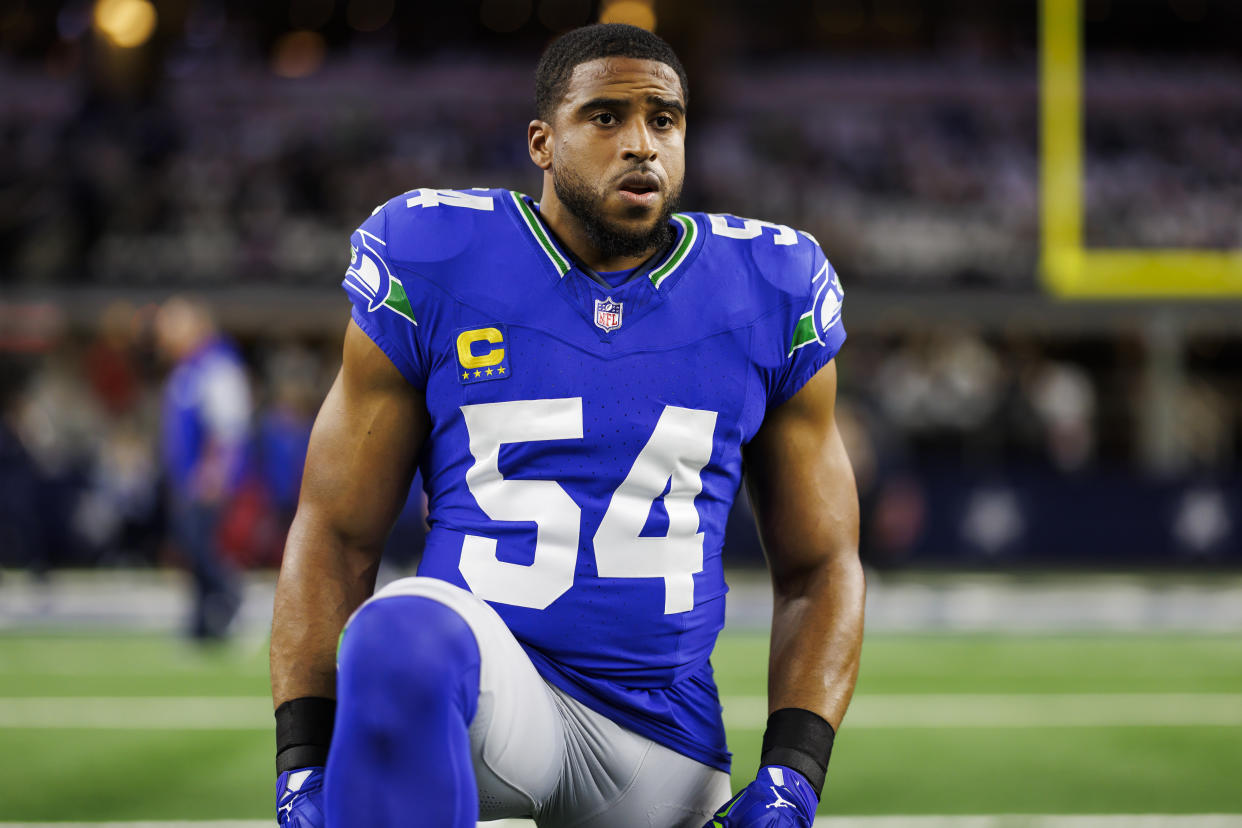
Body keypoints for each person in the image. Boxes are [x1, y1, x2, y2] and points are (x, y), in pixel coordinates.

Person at [270, 23, 863, 828]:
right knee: (399, 634)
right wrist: (303, 762)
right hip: (485, 700)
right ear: (542, 142)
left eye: (664, 119)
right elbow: (335, 533)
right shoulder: (436, 255)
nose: (642, 145)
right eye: (607, 117)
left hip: (660, 746)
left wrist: (795, 775)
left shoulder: (768, 284)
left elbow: (822, 566)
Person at [156, 296, 251, 640]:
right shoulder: (188, 368)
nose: (163, 334)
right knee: (190, 549)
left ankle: (230, 596)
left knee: (201, 547)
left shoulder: (217, 366)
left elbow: (228, 427)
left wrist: (214, 475)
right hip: (186, 479)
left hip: (206, 481)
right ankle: (202, 624)